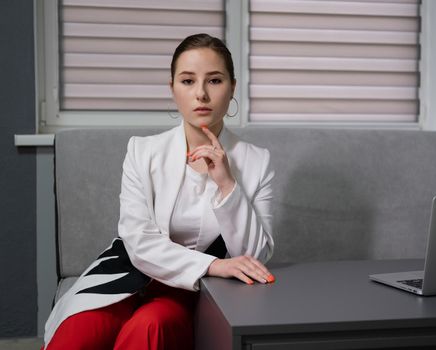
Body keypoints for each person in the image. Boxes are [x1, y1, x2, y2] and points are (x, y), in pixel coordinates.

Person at [42, 33, 276, 350]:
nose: (201, 94)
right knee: (77, 333)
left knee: (149, 328)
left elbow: (256, 256)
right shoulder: (142, 151)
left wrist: (226, 183)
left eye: (215, 80)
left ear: (232, 87)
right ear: (172, 89)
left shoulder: (256, 161)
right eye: (188, 81)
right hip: (125, 273)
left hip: (188, 289)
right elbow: (137, 240)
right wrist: (213, 264)